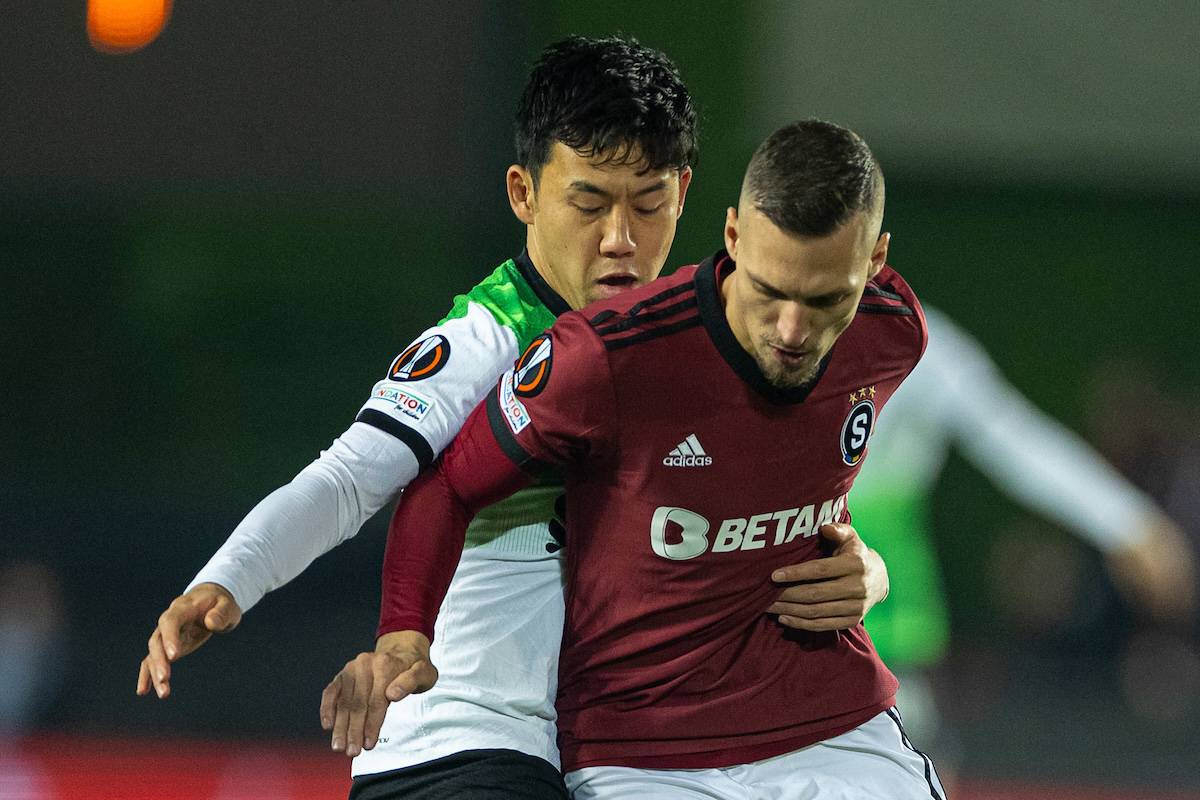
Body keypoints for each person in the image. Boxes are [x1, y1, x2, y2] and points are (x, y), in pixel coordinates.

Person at [137, 38, 891, 799]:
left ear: (690, 196)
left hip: (600, 754)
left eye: (650, 202)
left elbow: (763, 505)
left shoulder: (700, 338)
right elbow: (349, 479)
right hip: (464, 736)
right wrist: (231, 577)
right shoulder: (485, 340)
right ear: (524, 195)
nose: (621, 238)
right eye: (589, 202)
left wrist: (868, 572)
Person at [328, 120, 947, 799]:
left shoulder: (893, 331)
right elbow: (448, 484)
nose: (793, 331)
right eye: (770, 291)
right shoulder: (604, 357)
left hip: (835, 725)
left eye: (827, 299)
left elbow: (779, 472)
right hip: (642, 754)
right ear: (734, 236)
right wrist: (404, 634)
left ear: (877, 258)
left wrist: (870, 571)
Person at [851, 304, 1197, 747]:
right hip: (779, 633)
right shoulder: (753, 339)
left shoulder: (912, 341)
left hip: (888, 641)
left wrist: (1127, 521)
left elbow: (1012, 437)